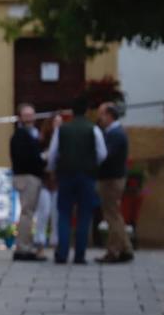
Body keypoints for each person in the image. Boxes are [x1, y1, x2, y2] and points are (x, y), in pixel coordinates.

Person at [46, 95, 108, 264]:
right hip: (87, 176)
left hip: (66, 175)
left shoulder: (62, 129)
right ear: (87, 111)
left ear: (72, 111)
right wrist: (92, 164)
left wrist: (52, 170)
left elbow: (52, 153)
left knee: (64, 213)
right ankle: (79, 255)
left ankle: (62, 254)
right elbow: (102, 153)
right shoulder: (93, 129)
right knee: (84, 215)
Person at [95, 102, 133, 263]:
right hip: (112, 178)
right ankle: (125, 248)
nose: (99, 118)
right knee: (114, 214)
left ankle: (114, 250)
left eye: (102, 114)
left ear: (110, 115)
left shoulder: (115, 134)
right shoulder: (113, 132)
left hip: (111, 179)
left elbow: (106, 156)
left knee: (111, 216)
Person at [10, 103, 46, 261]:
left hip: (30, 177)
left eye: (32, 115)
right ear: (21, 117)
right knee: (27, 213)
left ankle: (25, 245)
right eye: (27, 115)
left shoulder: (30, 134)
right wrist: (41, 159)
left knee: (28, 213)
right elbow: (27, 158)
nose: (30, 118)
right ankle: (23, 248)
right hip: (26, 177)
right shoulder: (20, 136)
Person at [33, 116, 59, 249]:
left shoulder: (63, 139)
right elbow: (37, 158)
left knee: (56, 212)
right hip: (44, 178)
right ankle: (40, 238)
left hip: (57, 179)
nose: (58, 125)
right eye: (56, 122)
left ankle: (55, 239)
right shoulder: (42, 140)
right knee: (44, 209)